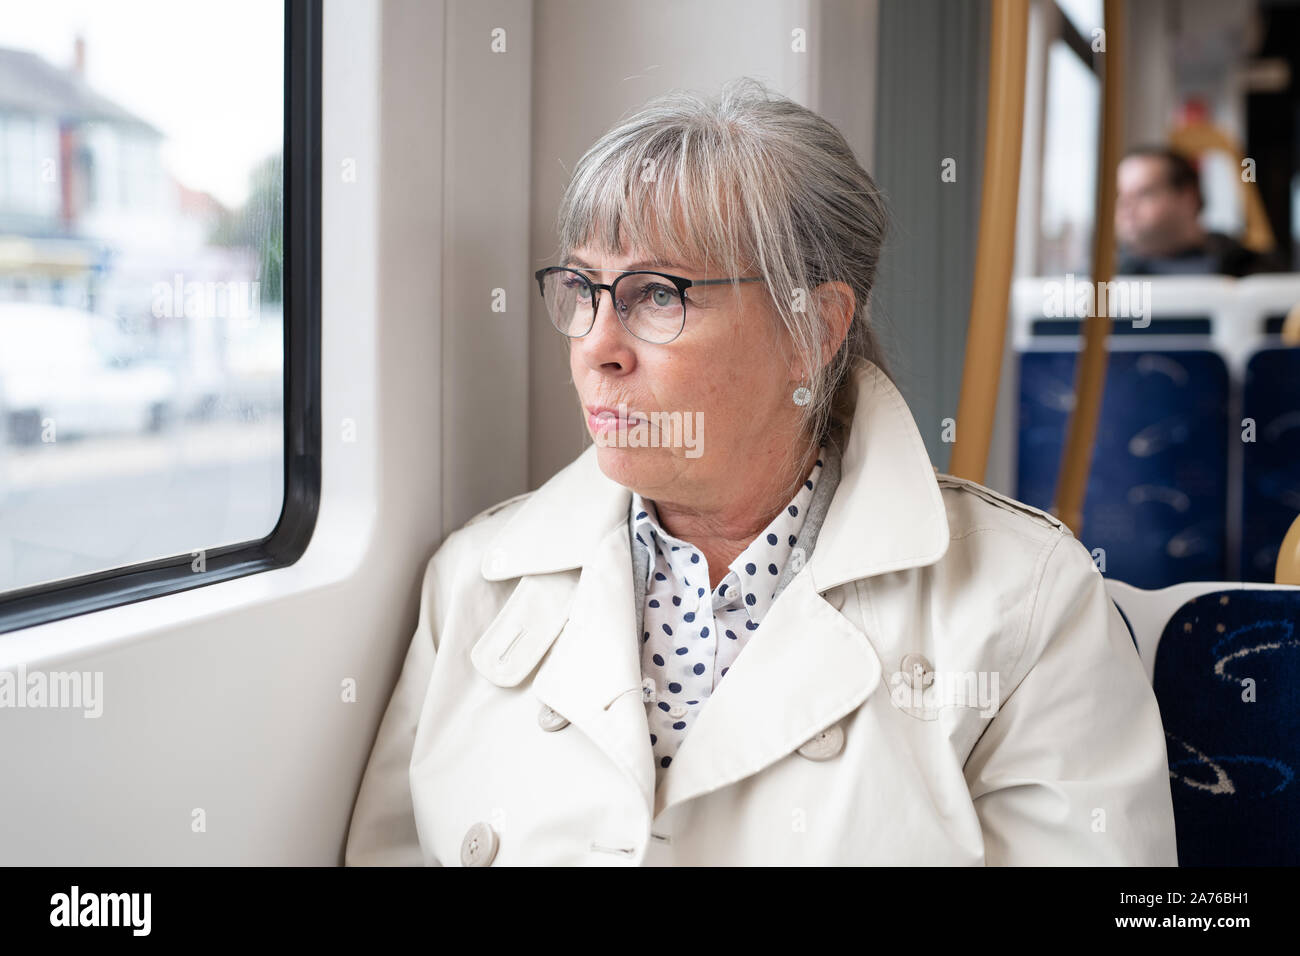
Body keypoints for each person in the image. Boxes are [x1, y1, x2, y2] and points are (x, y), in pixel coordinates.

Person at [345, 78, 1178, 866]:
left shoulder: (1027, 601)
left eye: (656, 295)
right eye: (583, 289)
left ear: (811, 330)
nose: (596, 346)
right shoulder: (475, 586)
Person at [1115, 145, 1277, 276]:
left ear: (1188, 197)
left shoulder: (1250, 269)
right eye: (1119, 194)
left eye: (1144, 193)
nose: (1125, 206)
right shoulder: (1102, 280)